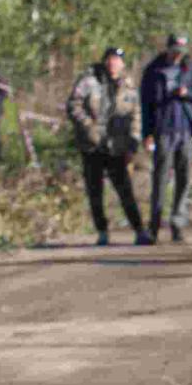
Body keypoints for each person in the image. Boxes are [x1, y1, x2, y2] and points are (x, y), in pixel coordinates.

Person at [66, 46, 152, 246]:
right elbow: (73, 105)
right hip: (92, 146)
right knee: (95, 191)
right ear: (105, 61)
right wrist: (88, 126)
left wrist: (133, 141)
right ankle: (102, 232)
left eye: (117, 60)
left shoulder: (129, 86)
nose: (113, 64)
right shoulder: (89, 81)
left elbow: (136, 115)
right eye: (110, 59)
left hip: (116, 147)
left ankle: (140, 230)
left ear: (122, 64)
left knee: (125, 190)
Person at [140, 33, 192, 242]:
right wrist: (147, 133)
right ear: (168, 49)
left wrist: (186, 93)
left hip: (185, 130)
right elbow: (145, 106)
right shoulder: (153, 70)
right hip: (163, 132)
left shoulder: (191, 68)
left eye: (181, 52)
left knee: (183, 179)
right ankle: (154, 226)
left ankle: (177, 224)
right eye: (175, 51)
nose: (178, 55)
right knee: (160, 180)